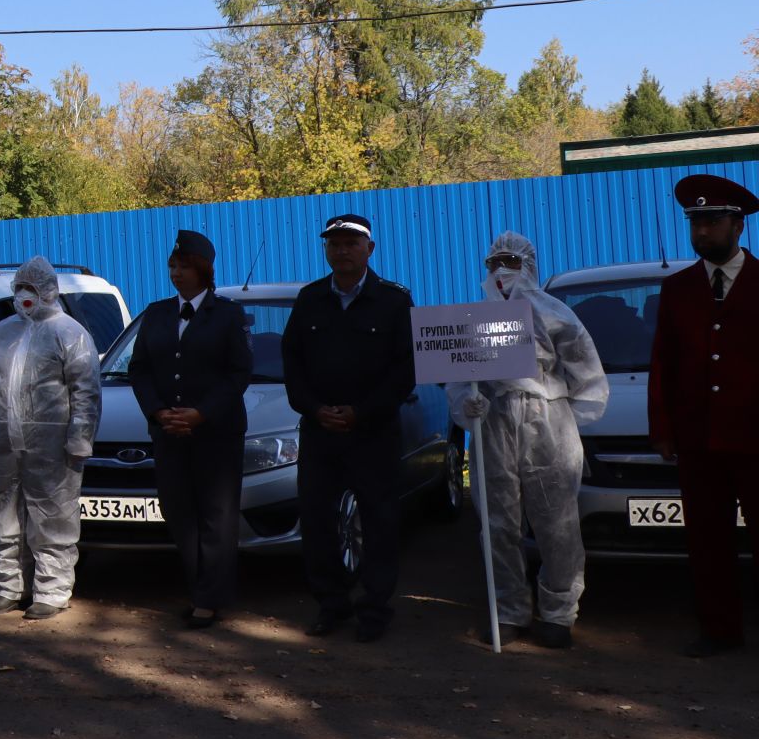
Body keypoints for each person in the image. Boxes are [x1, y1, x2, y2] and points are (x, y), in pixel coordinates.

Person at [447, 233, 607, 649]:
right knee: (498, 523)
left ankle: (558, 612)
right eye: (494, 262)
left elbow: (586, 374)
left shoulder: (557, 316)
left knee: (557, 523)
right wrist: (469, 402)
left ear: (528, 265)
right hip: (496, 422)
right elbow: (457, 377)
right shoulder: (473, 319)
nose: (501, 271)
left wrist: (572, 419)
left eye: (510, 262)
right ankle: (509, 611)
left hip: (547, 422)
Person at [283, 214, 416, 643]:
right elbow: (293, 366)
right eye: (334, 244)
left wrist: (360, 412)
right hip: (320, 433)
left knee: (378, 524)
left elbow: (404, 372)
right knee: (319, 523)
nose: (342, 250)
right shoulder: (308, 300)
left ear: (369, 250)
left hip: (372, 433)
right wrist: (316, 409)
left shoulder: (394, 301)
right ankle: (331, 605)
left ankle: (374, 610)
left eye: (351, 244)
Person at [648, 174, 759, 658]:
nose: (702, 232)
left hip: (755, 439)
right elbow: (663, 364)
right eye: (695, 223)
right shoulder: (678, 288)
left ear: (738, 226)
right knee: (708, 542)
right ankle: (720, 630)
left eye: (712, 222)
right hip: (699, 440)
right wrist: (664, 429)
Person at [0, 256, 102, 620]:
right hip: (2, 444)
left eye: (33, 289)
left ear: (49, 291)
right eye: (21, 288)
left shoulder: (70, 334)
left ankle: (52, 592)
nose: (26, 295)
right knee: (2, 515)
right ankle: (10, 587)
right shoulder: (0, 334)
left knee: (53, 518)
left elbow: (86, 394)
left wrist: (79, 440)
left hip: (52, 448)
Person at [129, 231, 253, 629]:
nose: (177, 273)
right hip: (169, 433)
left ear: (203, 269)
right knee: (179, 512)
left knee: (217, 516)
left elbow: (238, 373)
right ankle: (199, 588)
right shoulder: (156, 313)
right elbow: (140, 369)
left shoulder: (228, 314)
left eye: (184, 266)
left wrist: (202, 413)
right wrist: (158, 412)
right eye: (172, 265)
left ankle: (210, 598)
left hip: (215, 434)